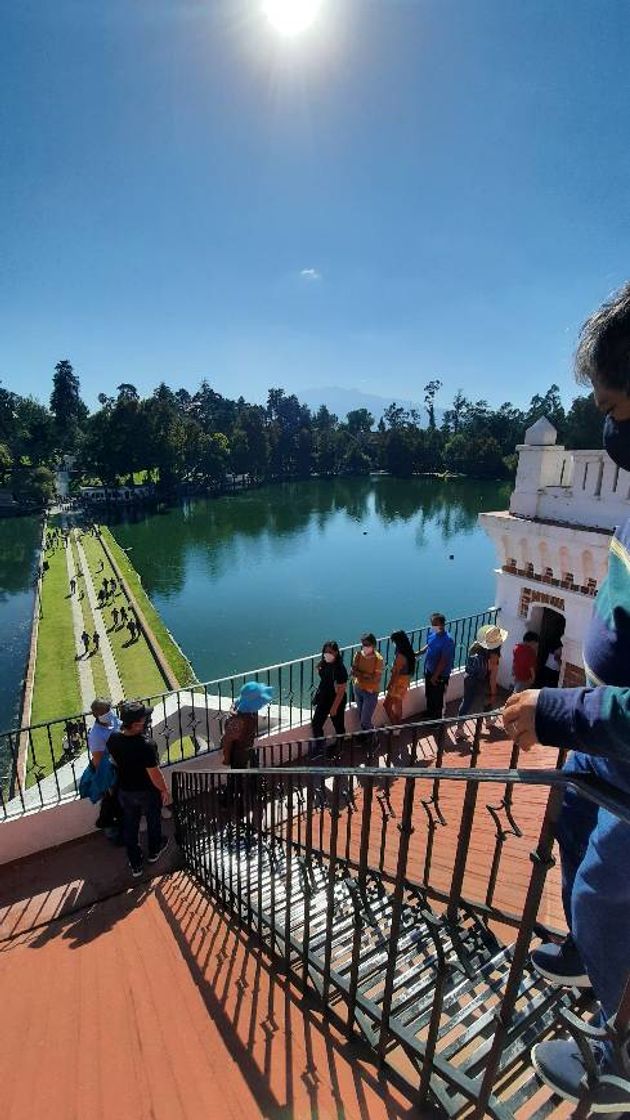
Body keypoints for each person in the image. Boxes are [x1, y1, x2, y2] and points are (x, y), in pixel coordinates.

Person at [504, 283, 630, 1109]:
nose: (607, 425)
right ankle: (593, 949)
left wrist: (549, 711)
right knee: (571, 809)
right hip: (607, 732)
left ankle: (621, 1053)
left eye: (615, 404)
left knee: (601, 880)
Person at [107, 700, 170, 877]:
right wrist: (164, 790)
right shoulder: (146, 745)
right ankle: (154, 851)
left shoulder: (113, 739)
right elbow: (154, 774)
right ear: (136, 724)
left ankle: (135, 863)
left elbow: (114, 760)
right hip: (147, 791)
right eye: (144, 719)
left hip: (125, 790)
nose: (147, 720)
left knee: (130, 825)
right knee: (153, 820)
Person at [221, 682, 273, 804]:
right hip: (239, 752)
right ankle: (230, 800)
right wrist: (227, 758)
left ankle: (253, 788)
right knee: (236, 777)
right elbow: (227, 741)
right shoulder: (238, 721)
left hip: (246, 747)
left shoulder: (248, 710)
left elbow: (236, 702)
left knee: (250, 767)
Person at [454, 623, 507, 742]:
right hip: (481, 680)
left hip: (468, 677)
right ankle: (486, 721)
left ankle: (460, 728)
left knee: (466, 702)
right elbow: (493, 678)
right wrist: (494, 693)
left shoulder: (475, 647)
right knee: (487, 699)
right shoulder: (494, 657)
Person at [87, 698, 122, 832]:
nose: (110, 713)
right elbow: (98, 761)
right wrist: (107, 783)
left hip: (120, 763)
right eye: (106, 711)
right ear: (97, 715)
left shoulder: (112, 720)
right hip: (111, 770)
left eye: (109, 709)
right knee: (115, 799)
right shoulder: (96, 734)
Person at [419, 613, 455, 722]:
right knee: (429, 694)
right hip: (429, 670)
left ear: (442, 625)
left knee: (438, 698)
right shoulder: (432, 633)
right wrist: (420, 652)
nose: (432, 626)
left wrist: (435, 676)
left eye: (435, 624)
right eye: (432, 623)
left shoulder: (448, 640)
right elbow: (429, 644)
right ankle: (430, 713)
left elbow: (443, 661)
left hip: (440, 675)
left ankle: (437, 721)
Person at [311, 641, 348, 742]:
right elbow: (324, 678)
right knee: (316, 723)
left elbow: (341, 692)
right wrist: (319, 666)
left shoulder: (340, 669)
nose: (327, 654)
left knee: (338, 726)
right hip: (324, 697)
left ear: (336, 652)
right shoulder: (325, 664)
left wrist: (334, 708)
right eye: (325, 651)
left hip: (336, 700)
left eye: (330, 652)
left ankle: (340, 747)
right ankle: (320, 747)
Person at [351, 633, 384, 731]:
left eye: (367, 644)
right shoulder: (358, 655)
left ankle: (375, 738)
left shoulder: (378, 659)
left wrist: (360, 674)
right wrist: (366, 675)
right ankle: (365, 737)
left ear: (373, 645)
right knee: (361, 716)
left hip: (370, 692)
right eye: (363, 644)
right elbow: (353, 671)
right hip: (358, 688)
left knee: (365, 720)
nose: (365, 647)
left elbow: (376, 679)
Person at [383, 630, 416, 727]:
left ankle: (394, 726)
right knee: (398, 703)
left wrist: (390, 684)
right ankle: (398, 725)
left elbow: (395, 673)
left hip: (398, 682)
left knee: (386, 705)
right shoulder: (408, 651)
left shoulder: (400, 656)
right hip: (405, 681)